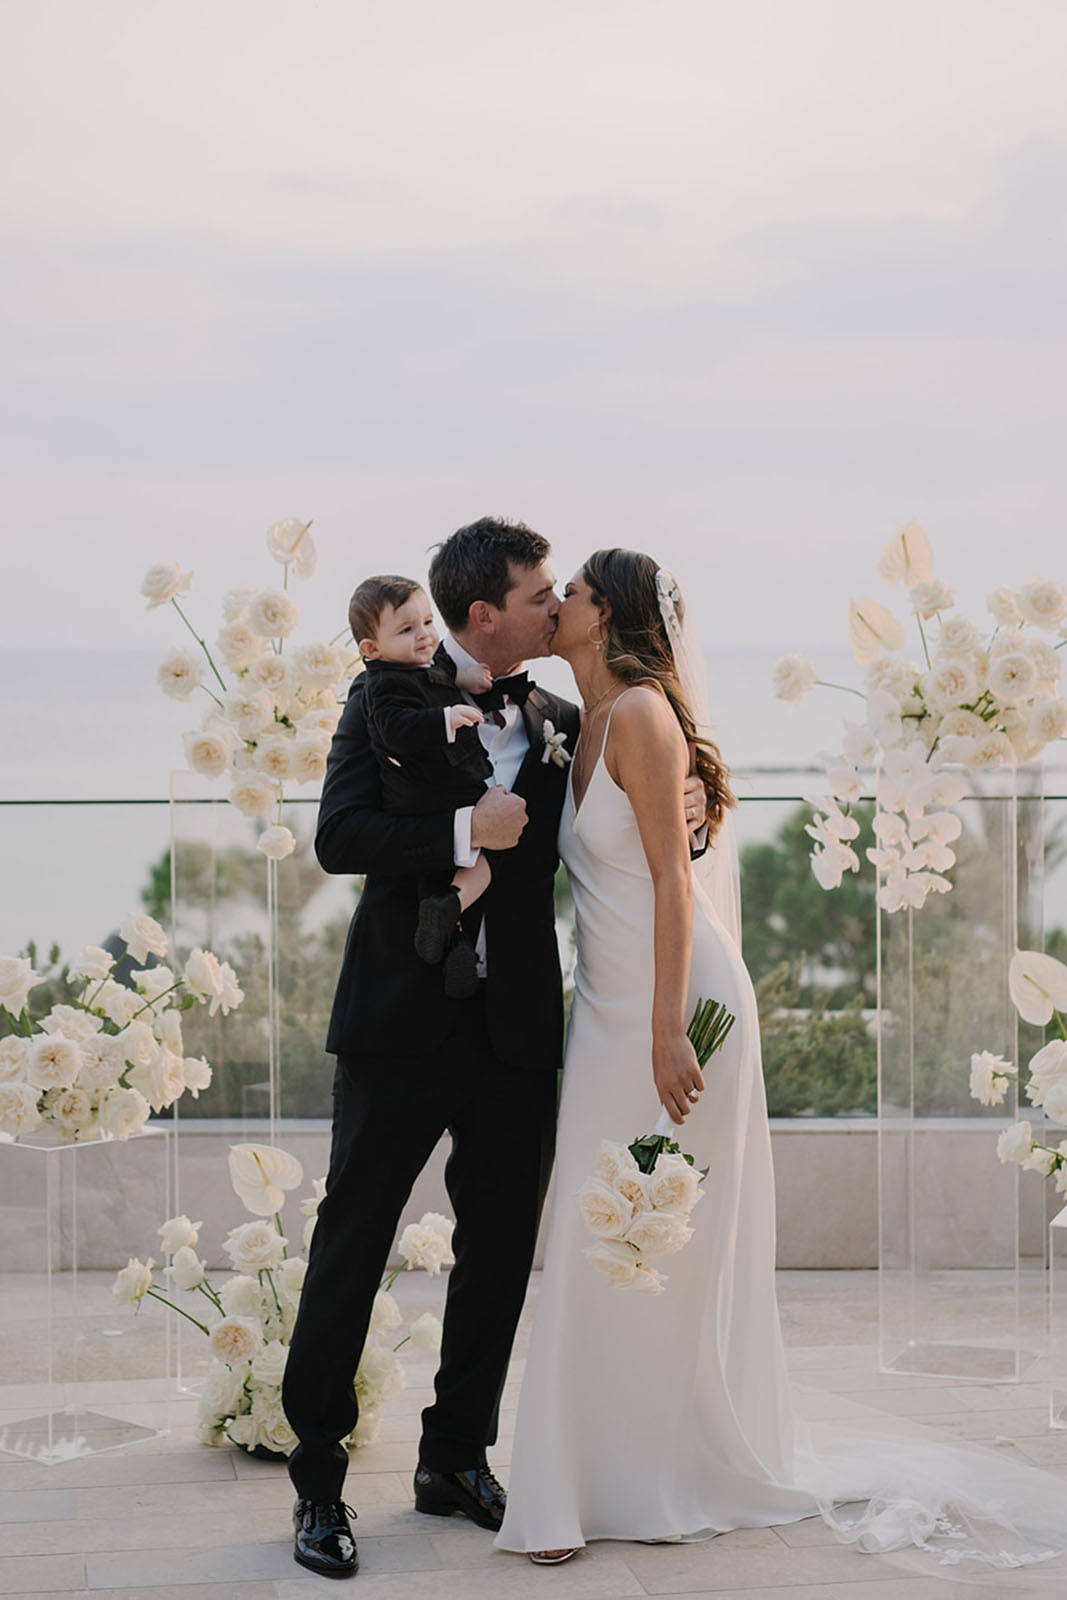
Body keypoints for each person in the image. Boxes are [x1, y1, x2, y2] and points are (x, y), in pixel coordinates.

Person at [496, 548, 1067, 1588]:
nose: (558, 599)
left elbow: (675, 884)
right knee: (595, 1238)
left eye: (573, 588)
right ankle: (584, 1473)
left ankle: (645, 1474)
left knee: (650, 1239)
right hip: (608, 1014)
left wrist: (667, 1030)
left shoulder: (642, 720)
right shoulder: (580, 721)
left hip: (676, 1010)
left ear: (607, 612)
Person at [280, 516, 721, 1579]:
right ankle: (318, 1485)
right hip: (395, 1029)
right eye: (535, 595)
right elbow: (339, 835)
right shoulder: (381, 696)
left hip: (517, 1032)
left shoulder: (568, 718)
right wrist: (456, 834)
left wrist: (699, 804)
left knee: (495, 1257)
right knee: (352, 1243)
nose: (548, 607)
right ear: (484, 616)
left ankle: (455, 1456)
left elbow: (644, 801)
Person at [349, 571, 496, 998]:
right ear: (371, 649)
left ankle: (453, 934)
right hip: (430, 793)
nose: (424, 636)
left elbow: (438, 678)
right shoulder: (381, 684)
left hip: (441, 793)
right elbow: (397, 729)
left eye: (428, 623)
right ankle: (449, 905)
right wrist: (444, 719)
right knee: (485, 860)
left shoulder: (423, 669)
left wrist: (462, 683)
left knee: (462, 868)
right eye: (407, 629)